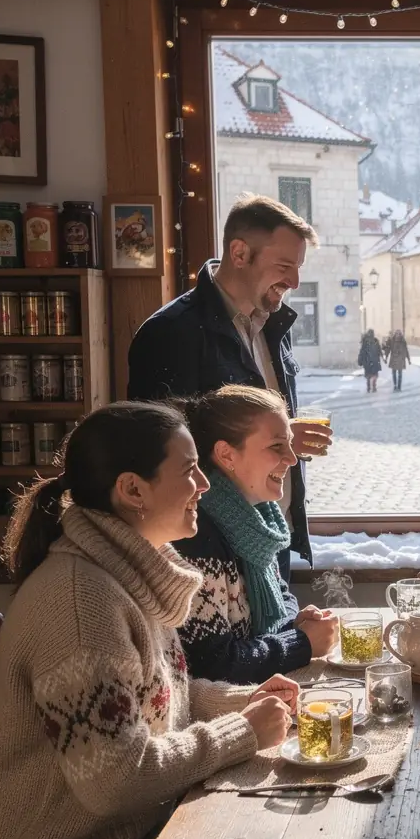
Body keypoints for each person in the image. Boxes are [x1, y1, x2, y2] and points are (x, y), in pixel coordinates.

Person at [0, 402, 336, 839]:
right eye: (190, 469)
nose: (204, 484)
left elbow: (160, 697)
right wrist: (243, 730)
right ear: (133, 490)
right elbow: (117, 781)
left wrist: (241, 702)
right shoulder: (81, 603)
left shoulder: (125, 573)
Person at [126, 193, 332, 578]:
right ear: (239, 254)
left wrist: (281, 439)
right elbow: (157, 454)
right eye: (285, 265)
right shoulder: (170, 333)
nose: (295, 281)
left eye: (299, 267)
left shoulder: (274, 324)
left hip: (271, 535)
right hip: (209, 550)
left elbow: (251, 425)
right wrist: (280, 440)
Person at [173, 385, 339, 683]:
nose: (291, 459)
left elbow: (282, 594)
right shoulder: (198, 536)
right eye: (277, 446)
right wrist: (301, 643)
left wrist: (296, 623)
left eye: (290, 444)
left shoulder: (259, 519)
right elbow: (213, 665)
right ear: (226, 454)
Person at [358, 329, 382, 393]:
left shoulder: (374, 341)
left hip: (371, 361)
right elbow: (362, 351)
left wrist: (380, 355)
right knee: (372, 375)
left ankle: (371, 386)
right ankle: (371, 386)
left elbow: (379, 350)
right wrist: (360, 359)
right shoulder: (367, 342)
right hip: (370, 360)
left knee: (371, 375)